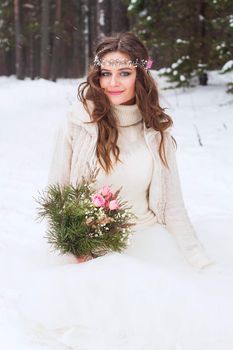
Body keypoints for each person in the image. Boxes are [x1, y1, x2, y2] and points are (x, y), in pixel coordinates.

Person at [18, 32, 233, 350]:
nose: (113, 82)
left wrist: (199, 260)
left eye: (124, 73)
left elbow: (172, 206)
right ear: (96, 75)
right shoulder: (77, 124)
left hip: (148, 242)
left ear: (140, 75)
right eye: (106, 72)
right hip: (88, 250)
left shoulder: (157, 132)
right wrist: (75, 246)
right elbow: (58, 194)